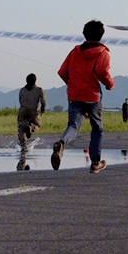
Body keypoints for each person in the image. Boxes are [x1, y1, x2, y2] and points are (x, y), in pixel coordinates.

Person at [51, 20, 115, 174]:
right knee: (97, 129)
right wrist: (110, 84)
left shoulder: (75, 51)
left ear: (84, 34)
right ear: (101, 35)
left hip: (74, 95)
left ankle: (61, 143)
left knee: (73, 126)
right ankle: (95, 163)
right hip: (92, 96)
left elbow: (62, 72)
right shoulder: (103, 53)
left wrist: (71, 83)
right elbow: (101, 71)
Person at [17, 73, 46, 150]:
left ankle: (23, 145)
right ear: (35, 81)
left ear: (26, 81)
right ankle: (31, 127)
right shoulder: (39, 90)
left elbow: (20, 101)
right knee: (37, 124)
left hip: (22, 111)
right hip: (33, 111)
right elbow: (43, 102)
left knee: (21, 129)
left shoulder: (22, 90)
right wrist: (42, 110)